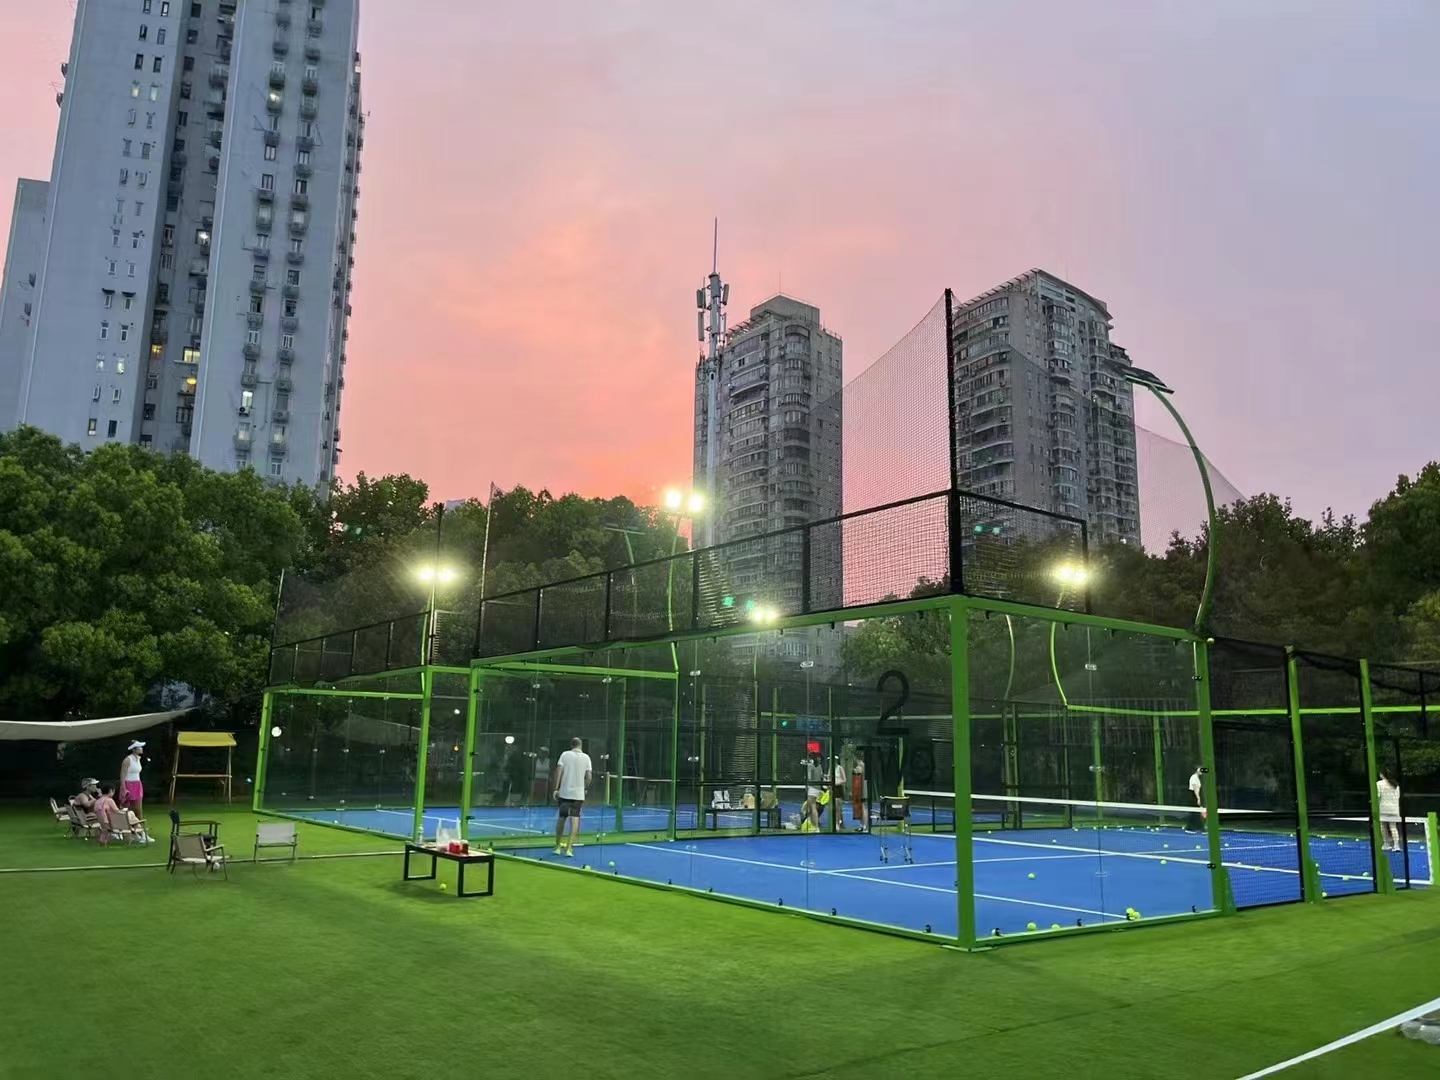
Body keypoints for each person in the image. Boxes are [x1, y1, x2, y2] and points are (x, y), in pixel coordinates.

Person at [552, 737, 593, 857]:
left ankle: (557, 846)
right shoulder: (586, 757)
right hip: (578, 795)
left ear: (572, 745)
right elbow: (589, 777)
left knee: (562, 818)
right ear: (581, 745)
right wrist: (584, 788)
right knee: (575, 819)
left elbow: (558, 771)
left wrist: (555, 789)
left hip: (565, 793)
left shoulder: (564, 755)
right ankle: (569, 849)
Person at [118, 741, 154, 841]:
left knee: (138, 811)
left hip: (137, 785)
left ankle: (143, 834)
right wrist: (124, 788)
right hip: (128, 785)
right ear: (134, 749)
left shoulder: (138, 759)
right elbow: (122, 775)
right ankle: (129, 833)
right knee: (127, 810)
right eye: (139, 747)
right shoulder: (127, 760)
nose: (141, 749)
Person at [1378, 769, 1403, 852]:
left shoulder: (1379, 784)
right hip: (1394, 808)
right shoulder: (1396, 785)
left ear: (1382, 775)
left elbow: (1378, 796)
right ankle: (1396, 845)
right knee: (1393, 827)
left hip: (1383, 808)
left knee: (1383, 826)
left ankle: (1386, 844)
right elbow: (1398, 797)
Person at [830, 756, 847, 831]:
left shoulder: (840, 768)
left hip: (838, 788)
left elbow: (844, 780)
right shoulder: (830, 768)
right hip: (832, 788)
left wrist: (836, 783)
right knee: (835, 807)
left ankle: (837, 824)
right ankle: (839, 822)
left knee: (838, 807)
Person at [850, 758, 866, 832]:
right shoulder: (860, 766)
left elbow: (858, 772)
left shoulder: (861, 765)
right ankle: (861, 825)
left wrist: (855, 770)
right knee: (860, 807)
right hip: (859, 789)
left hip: (861, 789)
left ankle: (864, 826)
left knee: (862, 807)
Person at [1188, 764, 1204, 833]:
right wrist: (1198, 798)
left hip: (1195, 795)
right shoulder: (1194, 777)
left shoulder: (1197, 777)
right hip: (1193, 795)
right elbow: (1195, 789)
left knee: (1195, 812)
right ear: (1197, 770)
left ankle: (1198, 828)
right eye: (1200, 769)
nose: (1202, 771)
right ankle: (1190, 828)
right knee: (1194, 812)